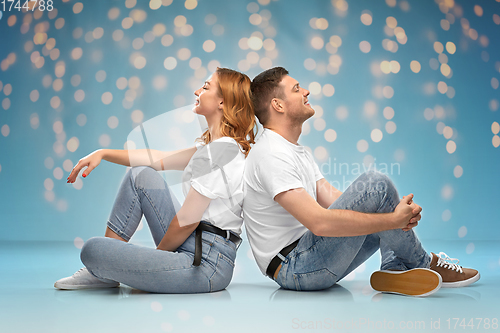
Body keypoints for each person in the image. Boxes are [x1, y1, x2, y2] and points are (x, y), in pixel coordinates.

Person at [243, 67, 479, 296]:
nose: (306, 91)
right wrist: (392, 220)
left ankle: (395, 271)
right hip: (294, 267)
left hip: (310, 258)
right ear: (278, 105)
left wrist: (395, 212)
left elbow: (334, 200)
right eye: (296, 89)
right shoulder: (271, 153)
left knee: (381, 202)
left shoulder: (296, 151)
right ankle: (425, 263)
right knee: (376, 184)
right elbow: (318, 223)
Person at [54, 67, 256, 293]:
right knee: (139, 174)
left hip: (206, 263)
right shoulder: (211, 148)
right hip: (194, 242)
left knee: (92, 250)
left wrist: (152, 267)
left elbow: (186, 221)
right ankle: (101, 275)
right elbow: (157, 159)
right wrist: (103, 153)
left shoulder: (220, 152)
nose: (197, 90)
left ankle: (104, 269)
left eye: (206, 87)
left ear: (222, 102)